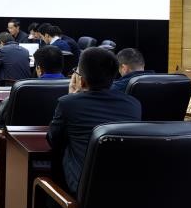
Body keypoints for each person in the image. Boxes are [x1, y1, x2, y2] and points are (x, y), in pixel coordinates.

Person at [47, 47, 141, 194]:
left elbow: (53, 139)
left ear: (82, 80)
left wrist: (72, 96)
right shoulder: (133, 105)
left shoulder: (67, 104)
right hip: (123, 188)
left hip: (82, 190)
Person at [0, 45, 65, 129]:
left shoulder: (22, 88)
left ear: (38, 69)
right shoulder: (73, 89)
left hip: (20, 136)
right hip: (59, 136)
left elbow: (0, 118)